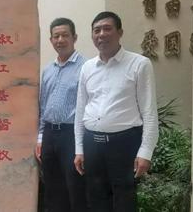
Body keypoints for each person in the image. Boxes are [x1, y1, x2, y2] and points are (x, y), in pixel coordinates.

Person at [74, 11, 159, 211]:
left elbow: (149, 111)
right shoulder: (87, 68)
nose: (101, 34)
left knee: (124, 200)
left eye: (107, 29)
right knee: (95, 198)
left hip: (124, 144)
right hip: (92, 144)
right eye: (96, 30)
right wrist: (79, 149)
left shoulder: (139, 64)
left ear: (120, 32)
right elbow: (80, 110)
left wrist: (146, 151)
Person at [35, 17, 87, 212]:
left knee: (75, 187)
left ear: (74, 37)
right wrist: (40, 137)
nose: (60, 40)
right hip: (49, 134)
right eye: (56, 36)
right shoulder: (47, 70)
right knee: (52, 187)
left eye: (65, 35)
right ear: (51, 40)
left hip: (71, 135)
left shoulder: (86, 68)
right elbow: (43, 105)